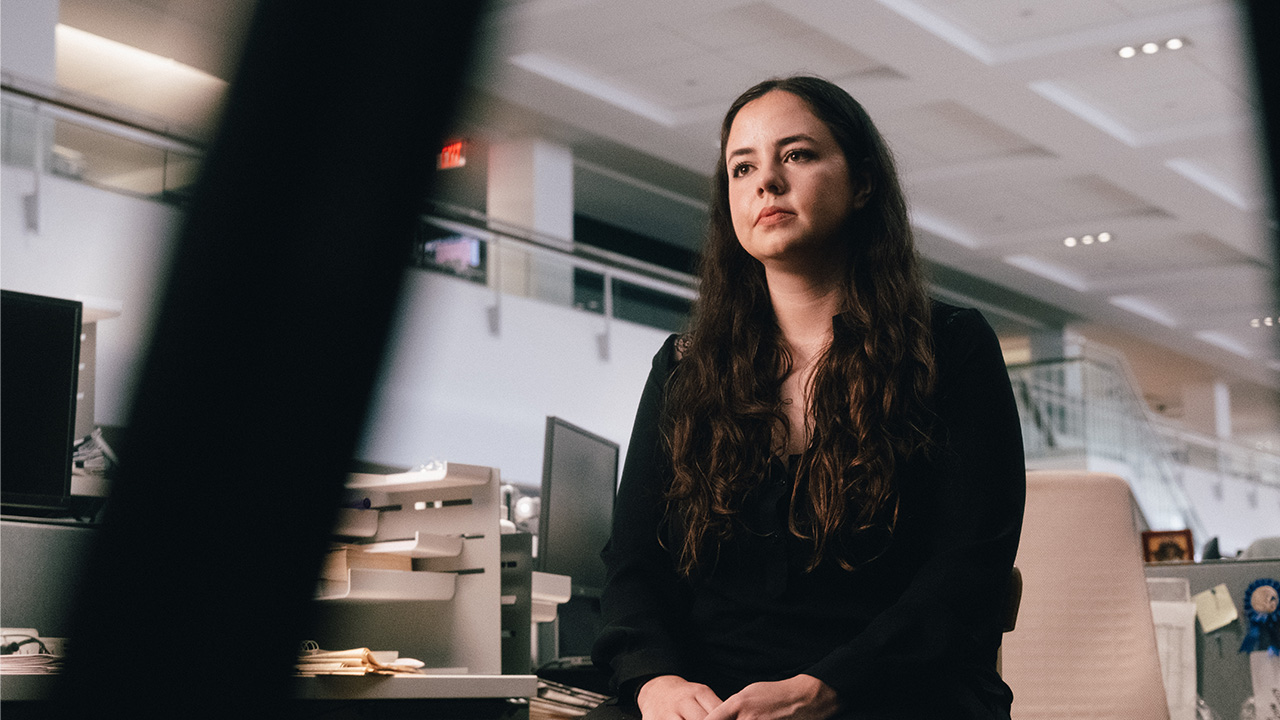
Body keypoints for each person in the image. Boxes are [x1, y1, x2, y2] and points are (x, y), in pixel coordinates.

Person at [589, 76, 1026, 720]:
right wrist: (655, 682)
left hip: (892, 691)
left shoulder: (950, 347)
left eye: (796, 154)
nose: (766, 181)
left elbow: (968, 570)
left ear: (864, 182)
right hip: (712, 701)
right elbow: (633, 568)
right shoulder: (685, 368)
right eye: (743, 167)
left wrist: (831, 686)